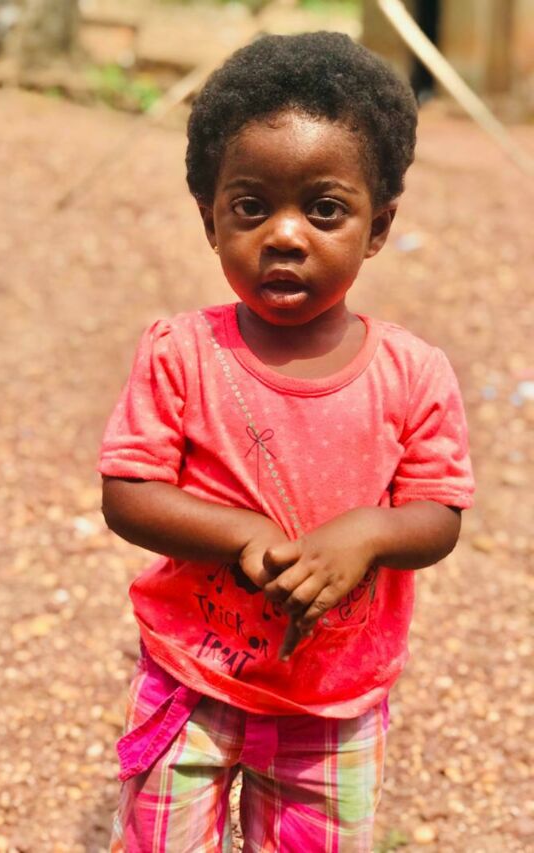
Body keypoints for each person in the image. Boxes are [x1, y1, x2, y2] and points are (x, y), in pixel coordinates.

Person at [98, 31, 474, 852]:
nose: (286, 235)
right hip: (192, 677)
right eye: (251, 207)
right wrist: (242, 534)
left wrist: (366, 533)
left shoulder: (412, 373)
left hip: (334, 701)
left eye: (324, 209)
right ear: (210, 219)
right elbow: (128, 493)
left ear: (378, 226)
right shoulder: (181, 353)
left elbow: (439, 512)